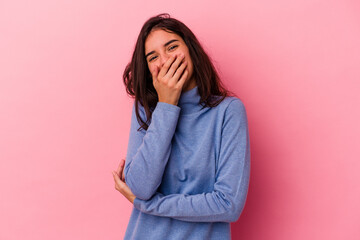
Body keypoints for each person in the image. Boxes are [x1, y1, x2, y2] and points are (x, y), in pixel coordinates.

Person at [112, 13, 251, 240]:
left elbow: (228, 204)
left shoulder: (228, 112)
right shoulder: (145, 110)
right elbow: (140, 188)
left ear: (191, 51)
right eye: (153, 57)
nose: (165, 61)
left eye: (172, 47)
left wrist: (151, 205)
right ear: (148, 70)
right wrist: (167, 106)